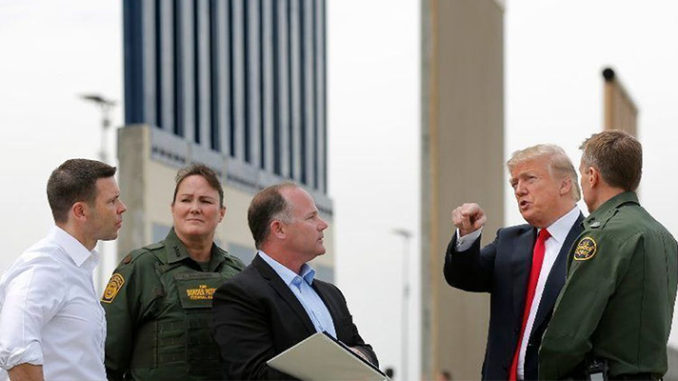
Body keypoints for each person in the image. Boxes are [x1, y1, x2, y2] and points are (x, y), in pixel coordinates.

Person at [539, 131, 678, 380]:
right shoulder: (664, 237)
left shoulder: (603, 235)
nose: (580, 182)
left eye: (581, 173)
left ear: (592, 176)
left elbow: (567, 336)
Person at [444, 144, 584, 381]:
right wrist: (467, 235)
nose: (519, 190)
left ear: (564, 184)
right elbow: (462, 276)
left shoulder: (595, 243)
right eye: (514, 183)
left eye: (529, 179)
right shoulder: (509, 241)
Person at [212, 183, 378, 380]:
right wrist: (334, 368)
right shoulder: (240, 294)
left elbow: (367, 354)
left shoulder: (332, 294)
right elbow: (251, 375)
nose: (323, 224)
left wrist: (357, 356)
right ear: (279, 229)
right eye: (311, 217)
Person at [102, 163, 245, 380]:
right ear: (173, 208)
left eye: (205, 201)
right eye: (186, 200)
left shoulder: (236, 273)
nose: (195, 208)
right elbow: (106, 359)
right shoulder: (141, 267)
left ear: (221, 213)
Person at [0, 159, 126, 381]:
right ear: (80, 211)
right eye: (112, 201)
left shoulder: (75, 267)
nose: (121, 207)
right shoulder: (44, 266)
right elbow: (15, 346)